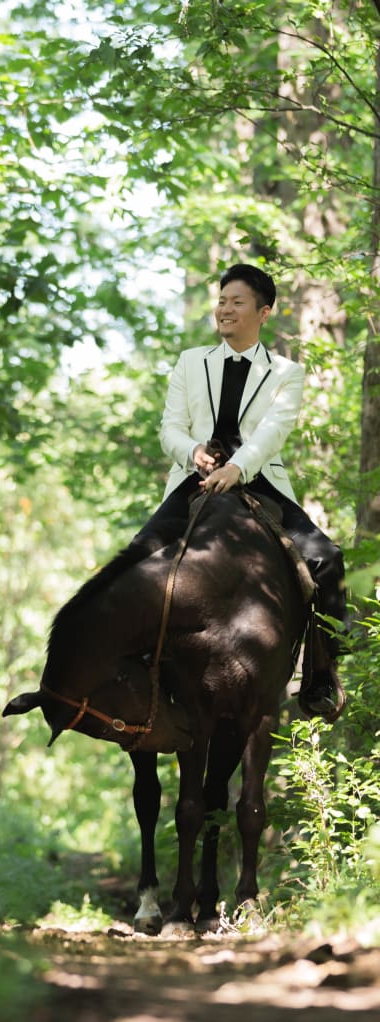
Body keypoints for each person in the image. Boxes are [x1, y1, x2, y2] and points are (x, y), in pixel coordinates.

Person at [131, 263, 347, 722]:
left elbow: (273, 431)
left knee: (328, 559)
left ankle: (321, 675)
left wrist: (237, 467)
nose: (225, 309)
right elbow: (169, 426)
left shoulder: (287, 372)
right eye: (222, 300)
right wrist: (192, 452)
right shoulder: (191, 361)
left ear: (264, 312)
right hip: (195, 474)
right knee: (136, 556)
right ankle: (134, 668)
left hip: (257, 474)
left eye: (237, 302)